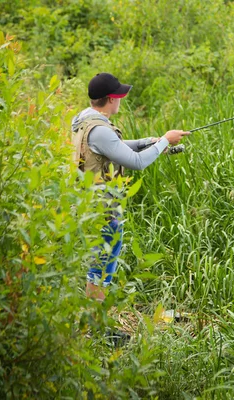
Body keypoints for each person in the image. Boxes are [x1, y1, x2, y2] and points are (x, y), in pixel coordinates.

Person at [71, 72, 189, 302]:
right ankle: (97, 328)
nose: (121, 100)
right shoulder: (101, 130)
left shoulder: (84, 121)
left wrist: (149, 142)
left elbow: (114, 147)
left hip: (90, 205)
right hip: (103, 210)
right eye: (120, 96)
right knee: (100, 270)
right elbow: (137, 163)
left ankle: (95, 322)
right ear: (112, 99)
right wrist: (165, 139)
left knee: (98, 267)